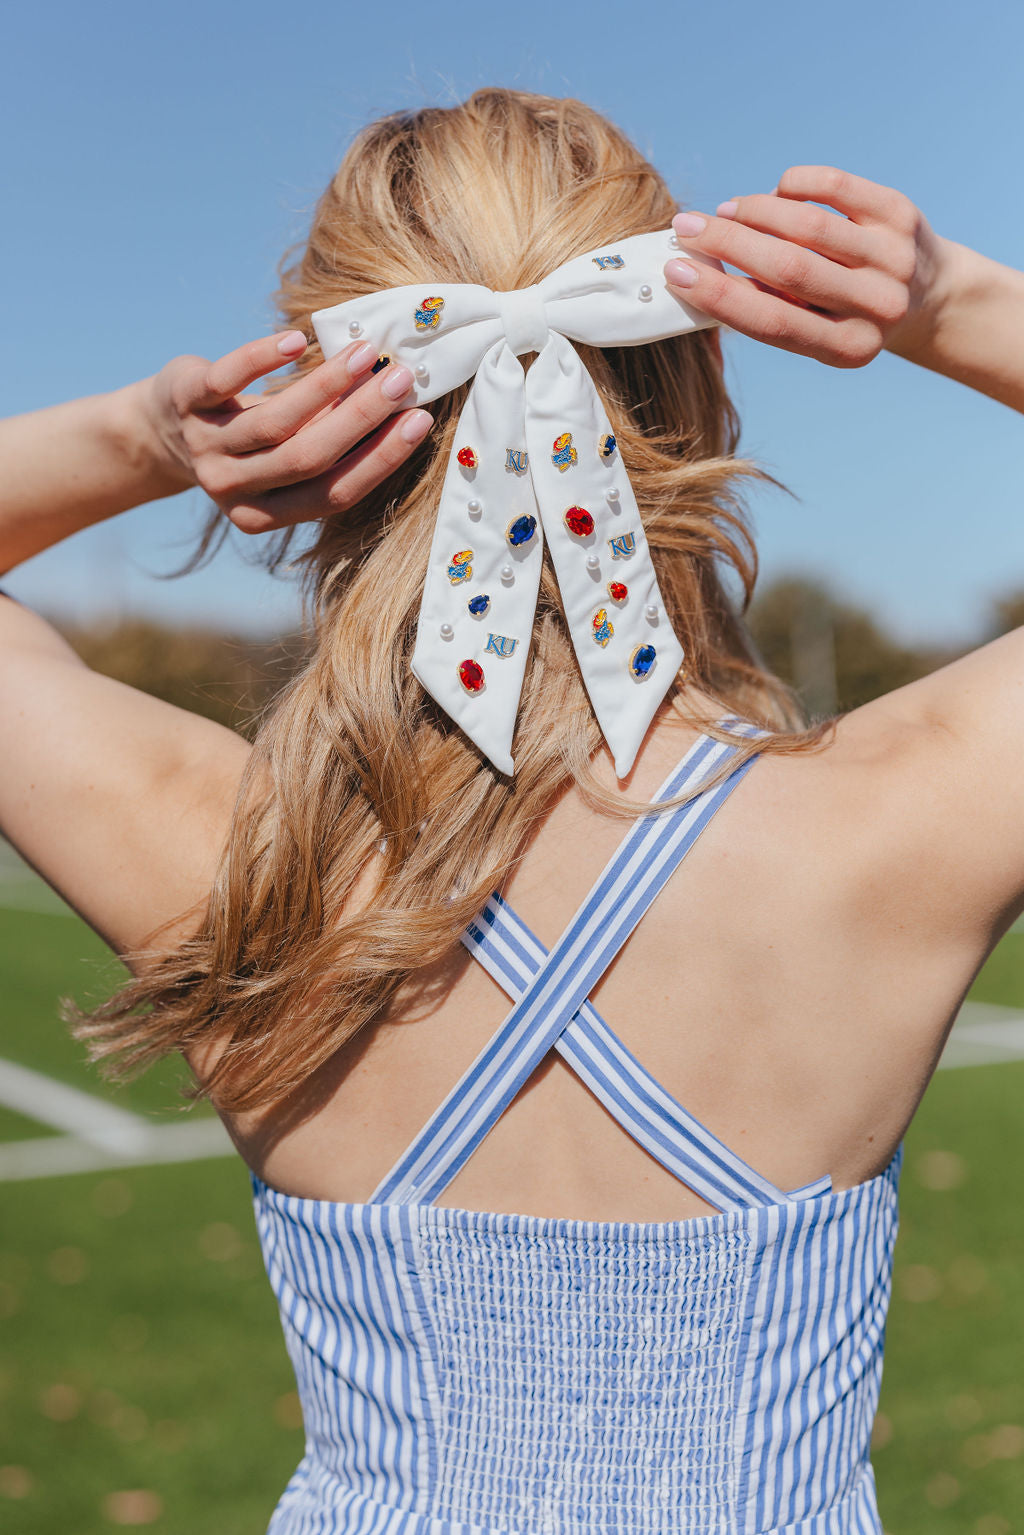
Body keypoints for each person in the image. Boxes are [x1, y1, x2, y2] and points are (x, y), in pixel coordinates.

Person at [1, 87, 1022, 1535]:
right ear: (700, 385)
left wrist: (149, 437)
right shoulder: (885, 831)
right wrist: (952, 304)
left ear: (331, 404)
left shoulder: (234, 853)